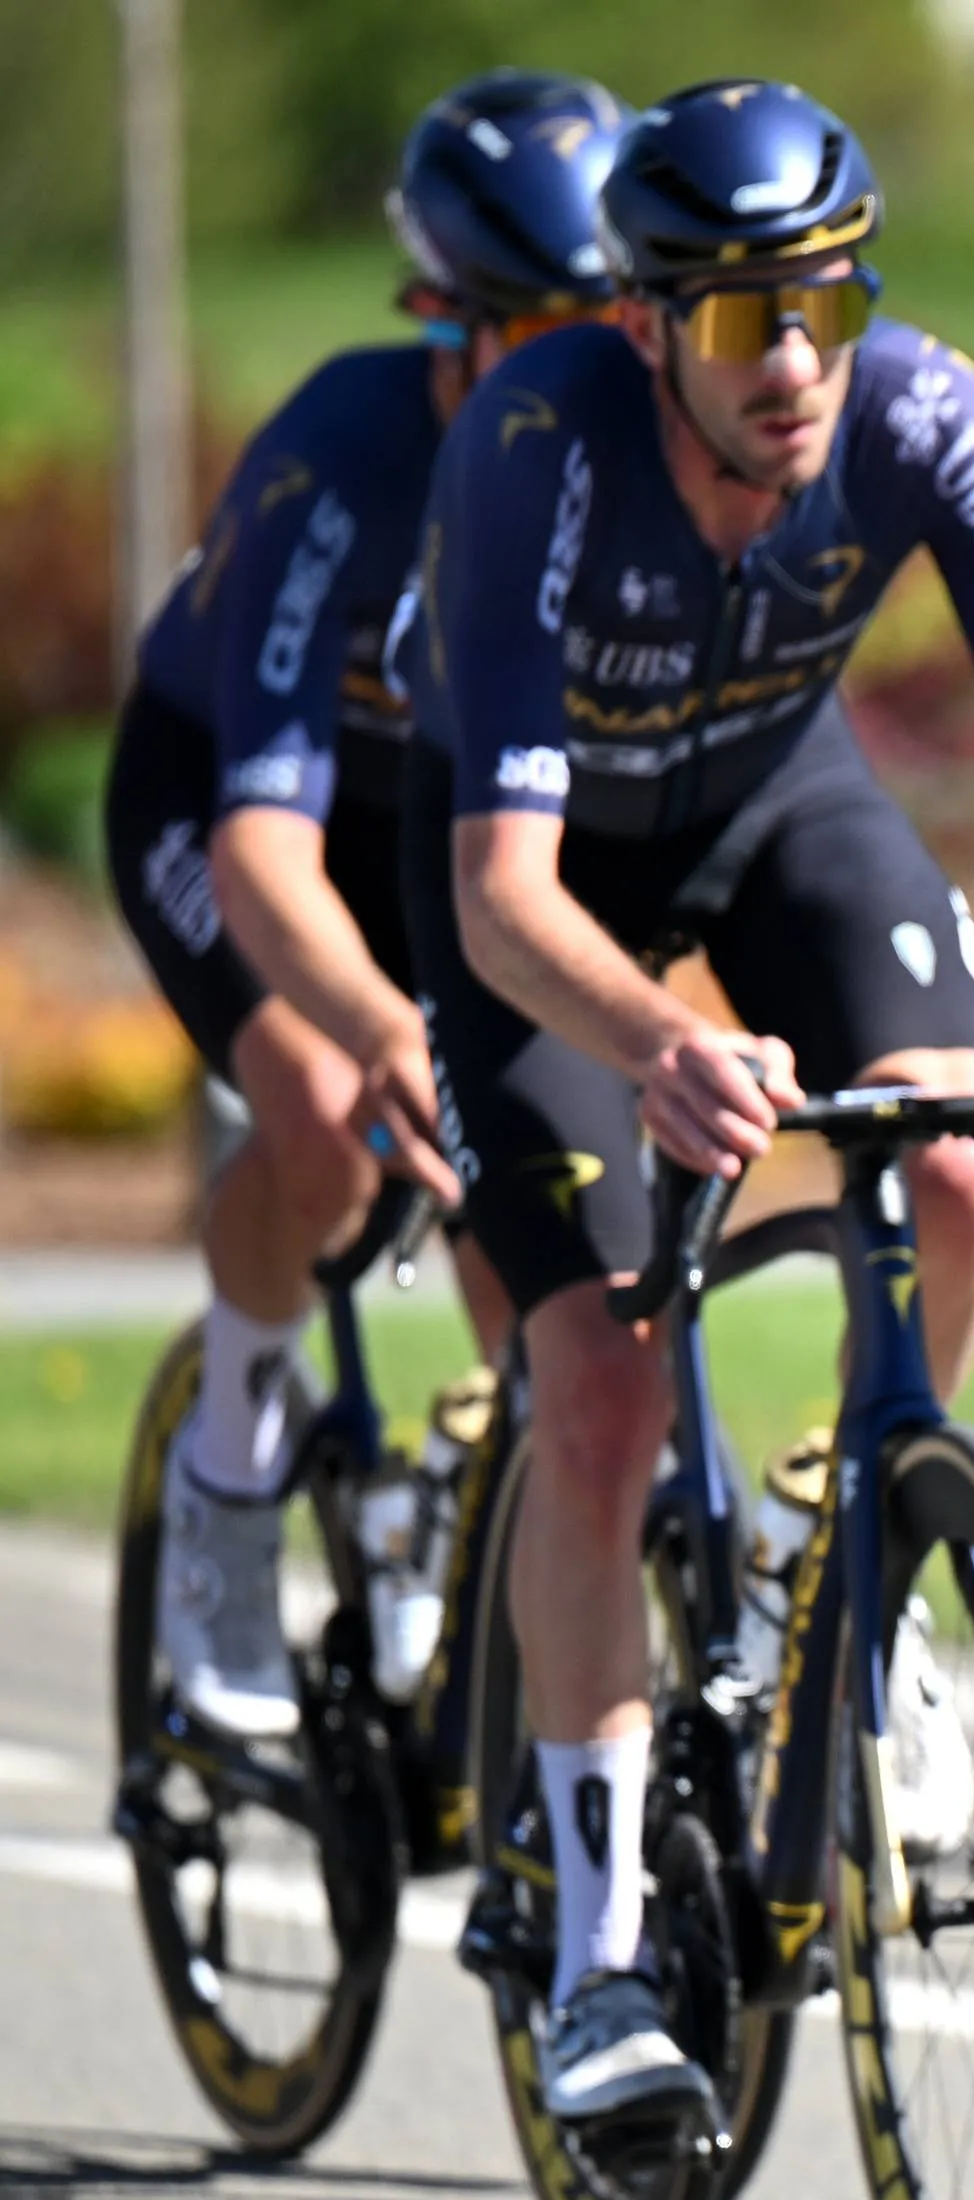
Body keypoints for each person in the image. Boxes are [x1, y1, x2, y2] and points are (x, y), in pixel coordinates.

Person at [396, 80, 974, 2128]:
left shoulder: (925, 414)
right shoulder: (536, 447)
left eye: (828, 303)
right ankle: (599, 1960)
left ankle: (839, 1522)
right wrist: (652, 1044)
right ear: (641, 327)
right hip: (536, 884)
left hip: (779, 803)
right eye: (736, 318)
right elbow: (502, 900)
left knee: (966, 1155)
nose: (792, 360)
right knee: (600, 1384)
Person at [108, 70, 622, 1739]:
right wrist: (385, 1029)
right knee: (331, 1119)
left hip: (435, 829)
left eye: (619, 324)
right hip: (236, 802)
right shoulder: (342, 458)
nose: (593, 370)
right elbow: (259, 848)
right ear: (446, 323)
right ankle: (228, 1471)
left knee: (532, 1217)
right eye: (547, 331)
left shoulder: (637, 457)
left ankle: (471, 1531)